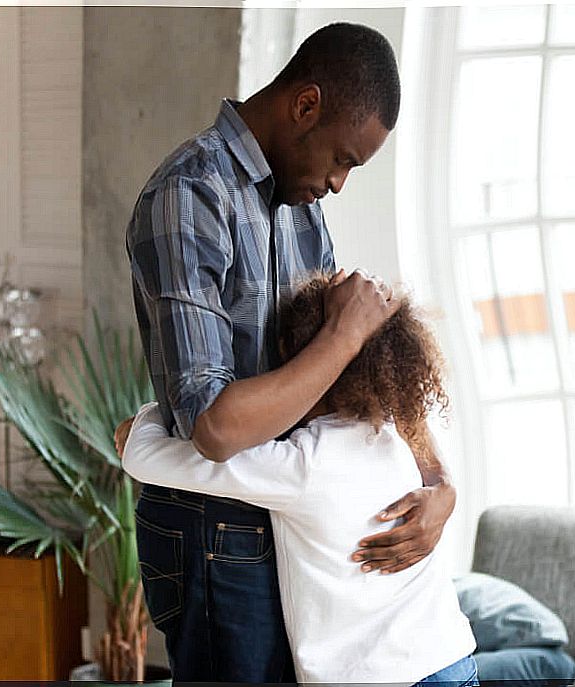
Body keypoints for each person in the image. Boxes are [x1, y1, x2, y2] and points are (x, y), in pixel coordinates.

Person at [124, 23, 456, 681]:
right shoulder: (189, 195)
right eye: (342, 159)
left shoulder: (298, 207)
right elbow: (215, 428)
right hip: (214, 533)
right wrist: (340, 335)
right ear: (304, 106)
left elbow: (362, 367)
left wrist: (438, 480)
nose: (338, 184)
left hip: (282, 523)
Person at [122, 274, 477, 684]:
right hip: (450, 659)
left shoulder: (302, 465)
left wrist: (150, 414)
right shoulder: (400, 434)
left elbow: (144, 456)